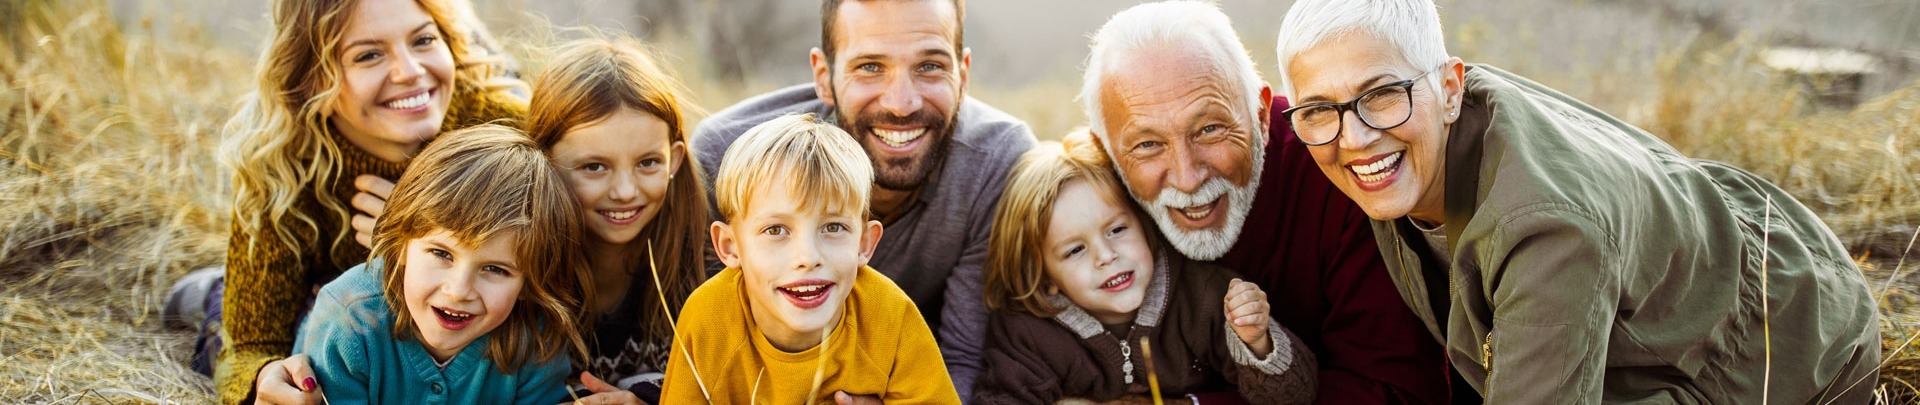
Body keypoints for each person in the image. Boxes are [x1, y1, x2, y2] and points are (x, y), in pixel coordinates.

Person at [1272, 0, 1882, 402]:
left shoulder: (1543, 229)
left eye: (1381, 95)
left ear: (1451, 88)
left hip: (1788, 348)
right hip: (1703, 282)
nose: (1354, 138)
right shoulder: (1402, 141)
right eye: (1321, 109)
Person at [1078, 2, 1453, 403]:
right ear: (1107, 150)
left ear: (1259, 113)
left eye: (1209, 129)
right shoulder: (1093, 214)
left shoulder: (1339, 167)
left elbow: (1401, 391)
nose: (1187, 178)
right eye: (1148, 144)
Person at [690, 1, 1036, 397]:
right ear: (824, 76)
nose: (901, 103)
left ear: (964, 72)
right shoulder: (728, 155)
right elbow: (706, 345)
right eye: (870, 67)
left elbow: (963, 357)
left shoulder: (996, 162)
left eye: (930, 66)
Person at [201, 0, 526, 402]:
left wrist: (412, 235)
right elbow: (251, 345)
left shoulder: (509, 131)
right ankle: (206, 291)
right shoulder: (283, 166)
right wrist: (264, 376)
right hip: (324, 310)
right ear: (313, 79)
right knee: (219, 324)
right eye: (369, 55)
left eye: (423, 40)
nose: (409, 71)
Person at [974, 134, 1317, 404]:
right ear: (1045, 276)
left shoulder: (1206, 297)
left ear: (1144, 224)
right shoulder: (1029, 337)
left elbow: (1294, 397)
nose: (1105, 256)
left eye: (1116, 230)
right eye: (1076, 250)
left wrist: (1258, 343)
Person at [663, 114, 960, 404]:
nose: (807, 257)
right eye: (776, 230)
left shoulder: (890, 317)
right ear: (730, 246)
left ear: (864, 243)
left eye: (833, 228)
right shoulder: (709, 320)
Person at [292, 124, 587, 404]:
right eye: (441, 254)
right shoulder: (349, 320)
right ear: (402, 245)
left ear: (528, 282)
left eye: (495, 269)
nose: (459, 291)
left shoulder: (535, 342)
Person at [524, 36, 712, 405]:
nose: (625, 191)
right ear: (543, 163)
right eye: (594, 167)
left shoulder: (707, 257)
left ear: (674, 160)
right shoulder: (517, 266)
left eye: (648, 163)